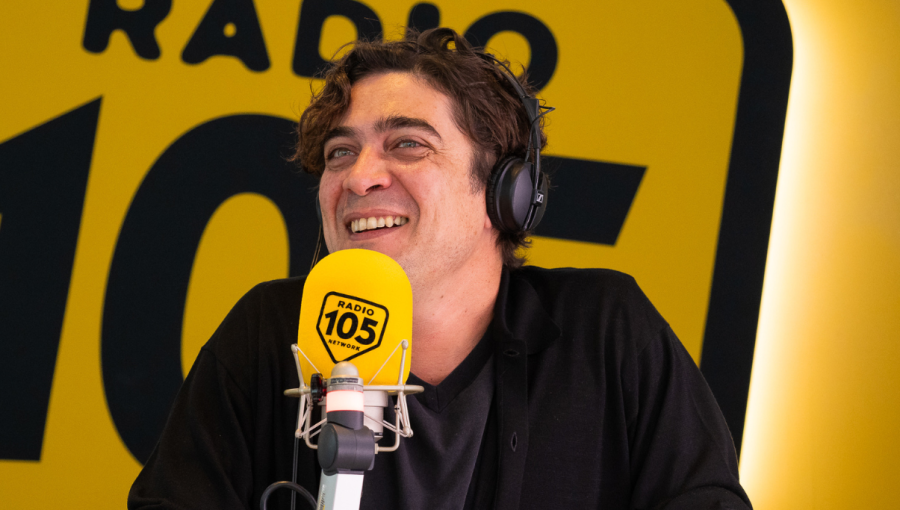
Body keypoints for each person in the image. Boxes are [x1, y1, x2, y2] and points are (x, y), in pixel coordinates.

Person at [128, 28, 752, 509]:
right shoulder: (267, 333)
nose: (359, 177)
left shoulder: (606, 332)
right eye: (340, 152)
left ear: (504, 194)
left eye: (408, 144)